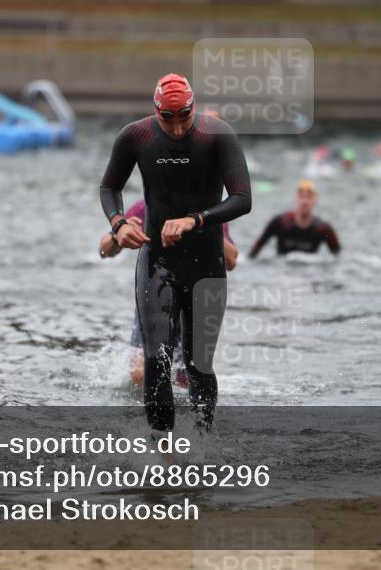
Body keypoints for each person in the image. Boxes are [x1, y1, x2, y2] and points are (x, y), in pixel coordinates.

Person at [99, 73, 251, 432]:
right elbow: (109, 187)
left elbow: (243, 200)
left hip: (206, 263)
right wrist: (119, 223)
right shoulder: (135, 136)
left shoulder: (218, 135)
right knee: (156, 359)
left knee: (198, 365)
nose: (179, 128)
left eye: (185, 116)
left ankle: (203, 440)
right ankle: (164, 450)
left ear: (193, 108)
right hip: (158, 262)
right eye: (169, 119)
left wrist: (194, 220)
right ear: (156, 112)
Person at [98, 199, 239, 389]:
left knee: (187, 382)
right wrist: (118, 234)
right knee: (139, 375)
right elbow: (104, 251)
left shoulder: (209, 209)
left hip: (195, 299)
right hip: (154, 292)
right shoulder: (144, 207)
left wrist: (200, 222)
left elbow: (231, 260)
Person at [249, 179, 340, 258]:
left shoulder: (323, 228)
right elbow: (254, 252)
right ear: (296, 198)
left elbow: (338, 257)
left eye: (309, 197)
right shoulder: (279, 222)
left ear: (315, 200)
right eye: (301, 196)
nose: (305, 201)